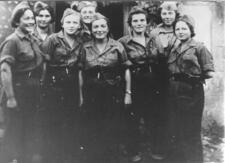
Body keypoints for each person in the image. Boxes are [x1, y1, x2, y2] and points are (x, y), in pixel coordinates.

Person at [78, 12, 132, 162]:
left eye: (102, 26)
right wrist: (81, 95)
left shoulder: (117, 46)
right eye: (96, 27)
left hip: (112, 92)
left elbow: (126, 69)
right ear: (92, 29)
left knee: (112, 127)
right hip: (91, 93)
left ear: (108, 28)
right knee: (93, 127)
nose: (99, 29)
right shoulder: (85, 47)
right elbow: (81, 72)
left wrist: (128, 93)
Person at [165, 15, 214, 163]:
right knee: (177, 129)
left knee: (191, 130)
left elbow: (210, 72)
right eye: (177, 29)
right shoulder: (174, 48)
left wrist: (191, 80)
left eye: (184, 28)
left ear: (191, 30)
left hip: (191, 91)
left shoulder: (199, 47)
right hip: (174, 91)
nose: (180, 32)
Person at [0, 2, 44, 163]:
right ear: (17, 21)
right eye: (27, 19)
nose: (32, 21)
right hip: (18, 89)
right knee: (14, 131)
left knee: (28, 130)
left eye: (32, 18)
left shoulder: (32, 39)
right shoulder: (12, 41)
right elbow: (5, 70)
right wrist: (11, 98)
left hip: (32, 90)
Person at [41, 8, 83, 163]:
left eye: (75, 23)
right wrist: (44, 85)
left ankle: (69, 155)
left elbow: (80, 67)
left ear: (79, 25)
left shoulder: (80, 41)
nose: (71, 25)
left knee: (71, 118)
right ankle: (53, 156)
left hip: (72, 80)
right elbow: (44, 64)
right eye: (68, 22)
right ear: (62, 23)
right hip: (54, 81)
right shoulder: (53, 39)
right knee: (55, 119)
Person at [118, 6, 153, 162]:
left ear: (146, 22)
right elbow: (121, 66)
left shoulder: (153, 39)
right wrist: (127, 91)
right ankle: (132, 151)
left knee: (153, 115)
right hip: (133, 81)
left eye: (142, 20)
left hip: (152, 81)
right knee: (132, 118)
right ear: (130, 24)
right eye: (135, 21)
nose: (139, 23)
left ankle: (152, 150)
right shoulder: (123, 42)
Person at [146, 1, 180, 159]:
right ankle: (158, 148)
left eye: (170, 13)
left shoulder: (181, 29)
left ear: (175, 14)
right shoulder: (154, 32)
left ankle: (175, 150)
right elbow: (150, 54)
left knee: (175, 113)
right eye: (164, 13)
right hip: (159, 75)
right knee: (159, 112)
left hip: (177, 74)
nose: (167, 16)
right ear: (160, 15)